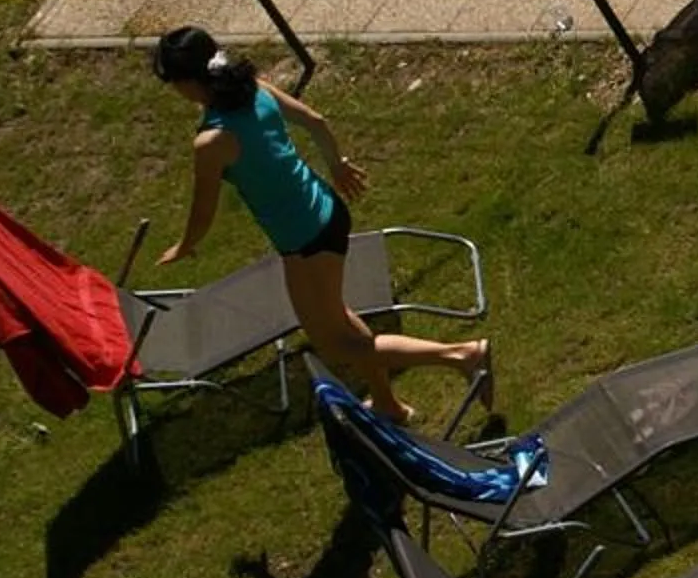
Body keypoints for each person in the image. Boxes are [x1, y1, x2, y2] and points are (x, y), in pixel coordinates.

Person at [150, 27, 483, 424]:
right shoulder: (252, 87)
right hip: (326, 211)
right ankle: (389, 404)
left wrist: (185, 245)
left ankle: (462, 356)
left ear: (187, 82)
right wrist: (337, 164)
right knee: (338, 320)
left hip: (305, 240)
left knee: (334, 342)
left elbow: (203, 213)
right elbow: (315, 120)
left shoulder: (212, 141)